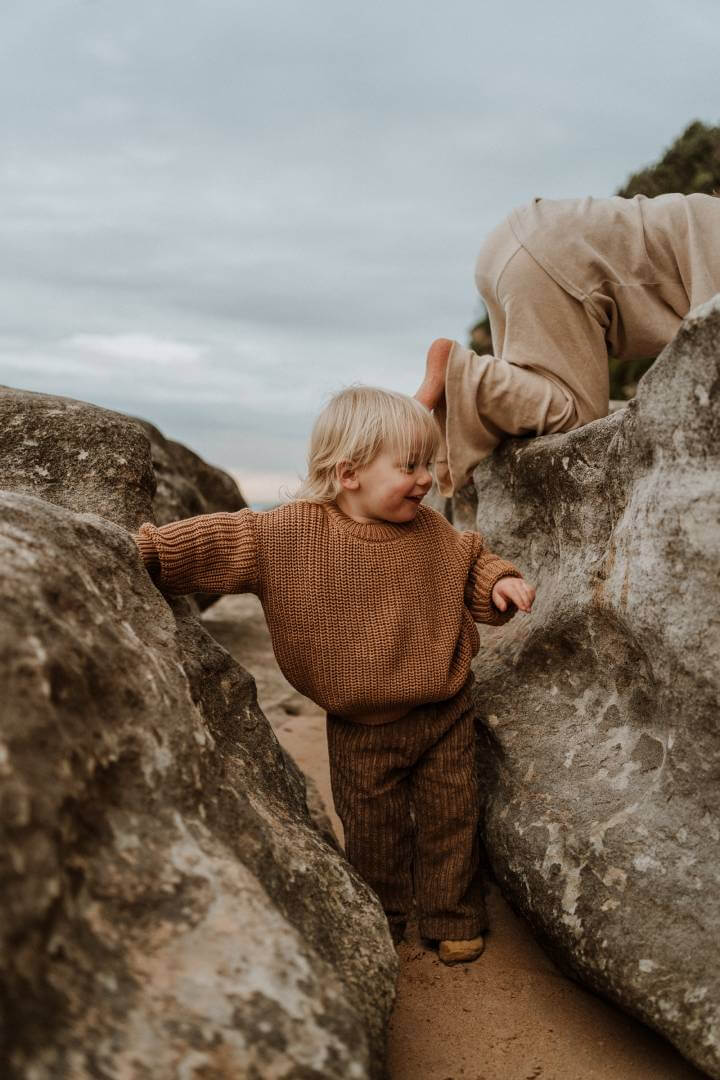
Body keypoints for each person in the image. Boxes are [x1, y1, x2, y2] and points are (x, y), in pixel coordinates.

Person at [132, 386, 536, 963]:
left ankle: (452, 913)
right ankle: (387, 915)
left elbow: (471, 559)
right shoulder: (290, 534)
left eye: (427, 463)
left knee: (453, 815)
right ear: (349, 473)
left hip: (444, 709)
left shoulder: (430, 533)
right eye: (409, 466)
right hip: (359, 725)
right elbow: (223, 538)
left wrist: (499, 583)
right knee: (373, 828)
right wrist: (149, 551)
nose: (425, 480)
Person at [415, 192, 720, 496]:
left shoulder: (697, 213)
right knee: (578, 416)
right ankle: (459, 372)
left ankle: (440, 432)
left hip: (512, 243)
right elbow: (709, 346)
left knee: (530, 395)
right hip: (554, 260)